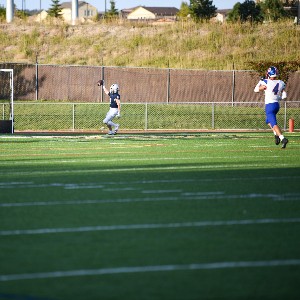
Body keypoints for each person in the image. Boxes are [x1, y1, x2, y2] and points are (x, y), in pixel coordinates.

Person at [254, 66, 288, 148]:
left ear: (269, 74)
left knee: (273, 123)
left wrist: (260, 81)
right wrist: (277, 97)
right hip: (276, 105)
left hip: (269, 105)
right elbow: (284, 96)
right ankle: (276, 134)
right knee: (268, 121)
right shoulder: (281, 82)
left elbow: (255, 89)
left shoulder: (266, 81)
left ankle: (282, 138)